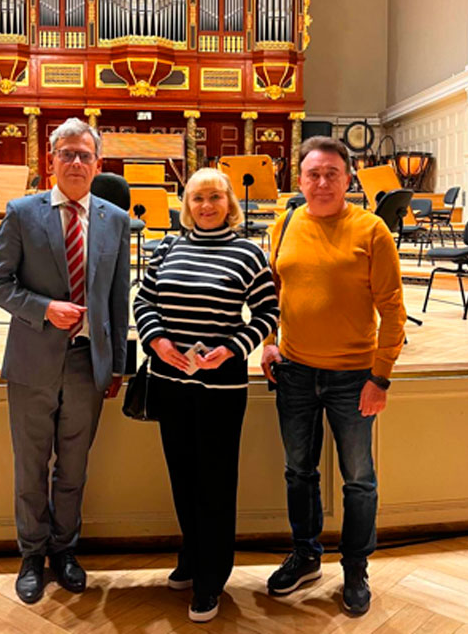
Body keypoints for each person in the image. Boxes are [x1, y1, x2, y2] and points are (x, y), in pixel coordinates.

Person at [0, 118, 130, 604]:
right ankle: (31, 555)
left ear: (98, 164)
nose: (75, 162)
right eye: (67, 153)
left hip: (88, 364)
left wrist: (118, 365)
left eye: (84, 155)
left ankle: (65, 551)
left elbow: (118, 298)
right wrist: (44, 308)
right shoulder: (22, 213)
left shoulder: (115, 219)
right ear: (52, 161)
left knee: (73, 467)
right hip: (32, 362)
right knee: (30, 467)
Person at [261, 136, 406, 616]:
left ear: (348, 180)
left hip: (354, 377)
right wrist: (269, 341)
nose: (322, 182)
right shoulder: (283, 225)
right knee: (298, 471)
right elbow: (271, 293)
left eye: (331, 174)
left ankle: (355, 568)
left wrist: (380, 377)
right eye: (313, 174)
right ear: (300, 180)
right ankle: (305, 555)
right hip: (295, 373)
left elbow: (393, 310)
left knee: (358, 479)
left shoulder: (371, 230)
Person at [134, 168, 279, 624]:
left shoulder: (248, 253)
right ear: (186, 205)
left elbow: (268, 312)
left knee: (215, 483)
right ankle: (192, 555)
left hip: (221, 387)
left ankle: (211, 578)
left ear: (229, 202)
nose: (206, 206)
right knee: (182, 476)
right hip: (170, 381)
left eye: (215, 197)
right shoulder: (168, 247)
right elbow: (144, 301)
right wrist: (157, 341)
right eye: (197, 198)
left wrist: (233, 348)